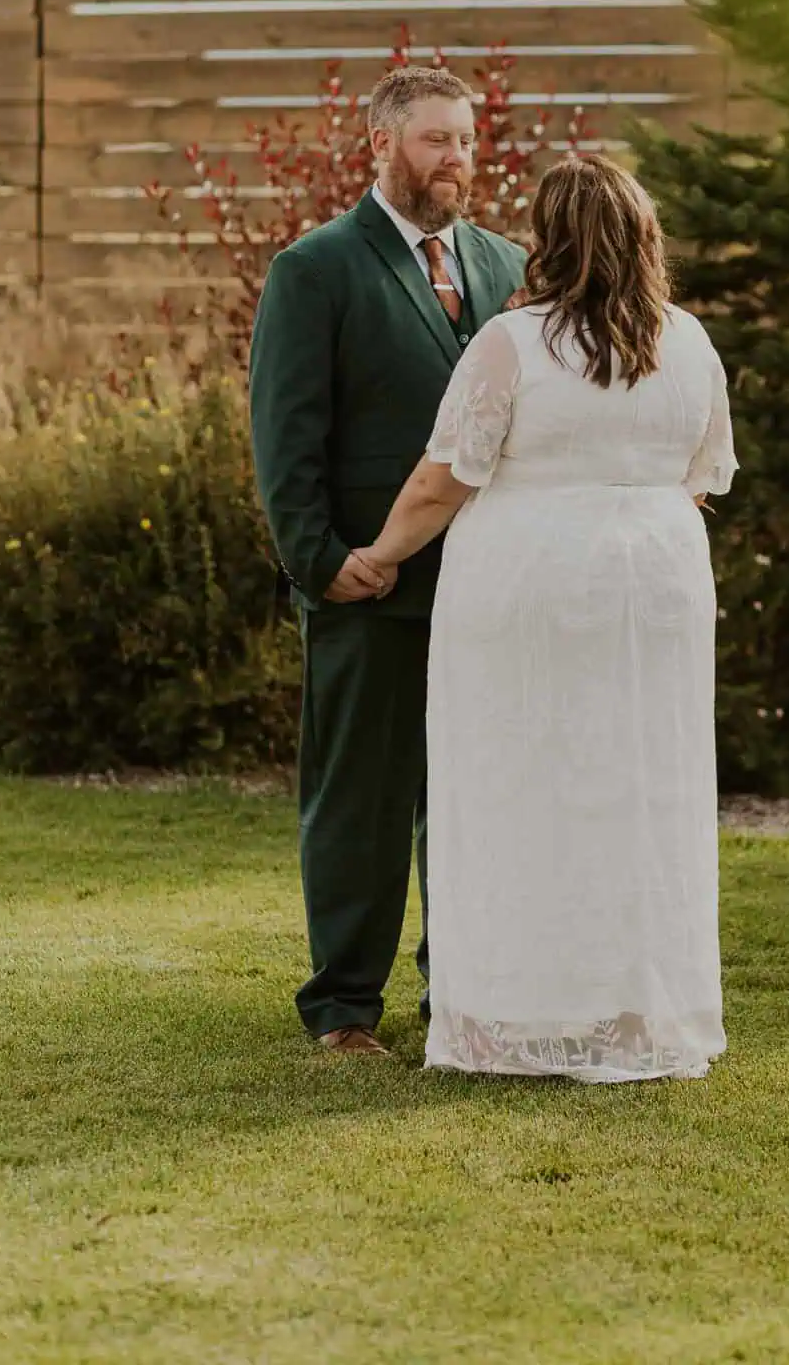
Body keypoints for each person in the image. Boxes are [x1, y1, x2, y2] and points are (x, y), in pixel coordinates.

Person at [362, 152, 736, 1083]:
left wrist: (376, 556)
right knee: (639, 786)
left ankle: (522, 1015)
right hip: (656, 585)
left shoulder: (514, 342)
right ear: (644, 237)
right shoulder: (688, 340)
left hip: (530, 581)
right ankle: (630, 1008)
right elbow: (704, 476)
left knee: (520, 783)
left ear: (548, 238)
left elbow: (442, 476)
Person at [249, 66, 526, 1055]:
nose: (457, 158)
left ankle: (461, 987)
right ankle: (343, 1006)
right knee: (361, 801)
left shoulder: (508, 264)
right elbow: (286, 436)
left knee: (476, 797)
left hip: (493, 587)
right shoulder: (315, 268)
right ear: (383, 145)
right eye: (435, 141)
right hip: (368, 584)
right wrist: (320, 560)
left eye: (466, 138)